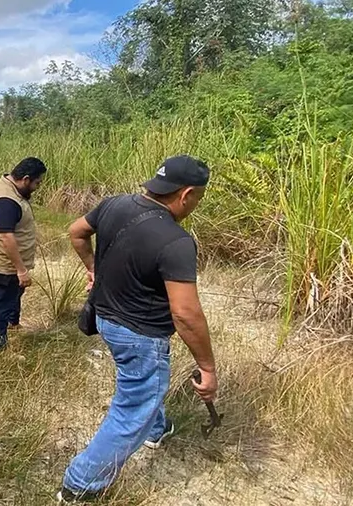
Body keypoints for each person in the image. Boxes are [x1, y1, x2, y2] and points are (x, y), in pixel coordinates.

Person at [57, 155, 219, 503]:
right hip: (140, 336)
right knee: (132, 408)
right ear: (186, 194)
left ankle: (155, 429)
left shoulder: (113, 204)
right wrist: (207, 367)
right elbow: (186, 314)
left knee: (145, 386)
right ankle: (80, 484)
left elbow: (76, 232)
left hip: (105, 319)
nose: (197, 205)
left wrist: (92, 268)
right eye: (199, 198)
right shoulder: (176, 241)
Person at [0, 157, 47, 352]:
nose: (38, 187)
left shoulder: (12, 189)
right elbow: (6, 237)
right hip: (5, 265)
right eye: (37, 183)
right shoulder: (6, 201)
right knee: (2, 303)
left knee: (14, 294)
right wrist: (21, 270)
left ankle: (13, 323)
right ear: (25, 179)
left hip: (11, 264)